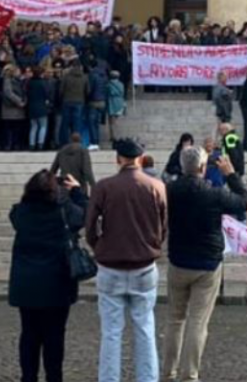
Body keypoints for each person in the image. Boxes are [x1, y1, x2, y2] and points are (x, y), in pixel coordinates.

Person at [163, 146, 247, 382]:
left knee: (174, 319)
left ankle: (167, 373)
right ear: (203, 168)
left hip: (178, 259)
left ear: (182, 166)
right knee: (198, 321)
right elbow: (244, 202)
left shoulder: (169, 190)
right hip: (207, 263)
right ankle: (189, 375)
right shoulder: (215, 193)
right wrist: (231, 174)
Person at [85, 138, 168, 382]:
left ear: (118, 159)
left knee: (111, 332)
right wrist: (153, 245)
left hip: (110, 264)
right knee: (145, 330)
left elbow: (89, 226)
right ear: (141, 158)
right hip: (143, 264)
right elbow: (163, 226)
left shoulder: (104, 187)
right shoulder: (157, 186)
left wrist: (98, 245)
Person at [8, 169, 88, 382]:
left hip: (27, 284)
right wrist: (76, 192)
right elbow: (86, 215)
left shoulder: (20, 212)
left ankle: (28, 377)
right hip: (56, 284)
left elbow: (16, 212)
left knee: (29, 335)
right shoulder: (64, 211)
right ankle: (54, 378)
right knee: (54, 337)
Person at [26, 66, 51, 151]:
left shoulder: (29, 83)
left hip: (31, 106)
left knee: (33, 126)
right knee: (43, 126)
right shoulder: (43, 83)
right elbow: (47, 94)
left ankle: (31, 144)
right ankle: (40, 143)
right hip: (41, 106)